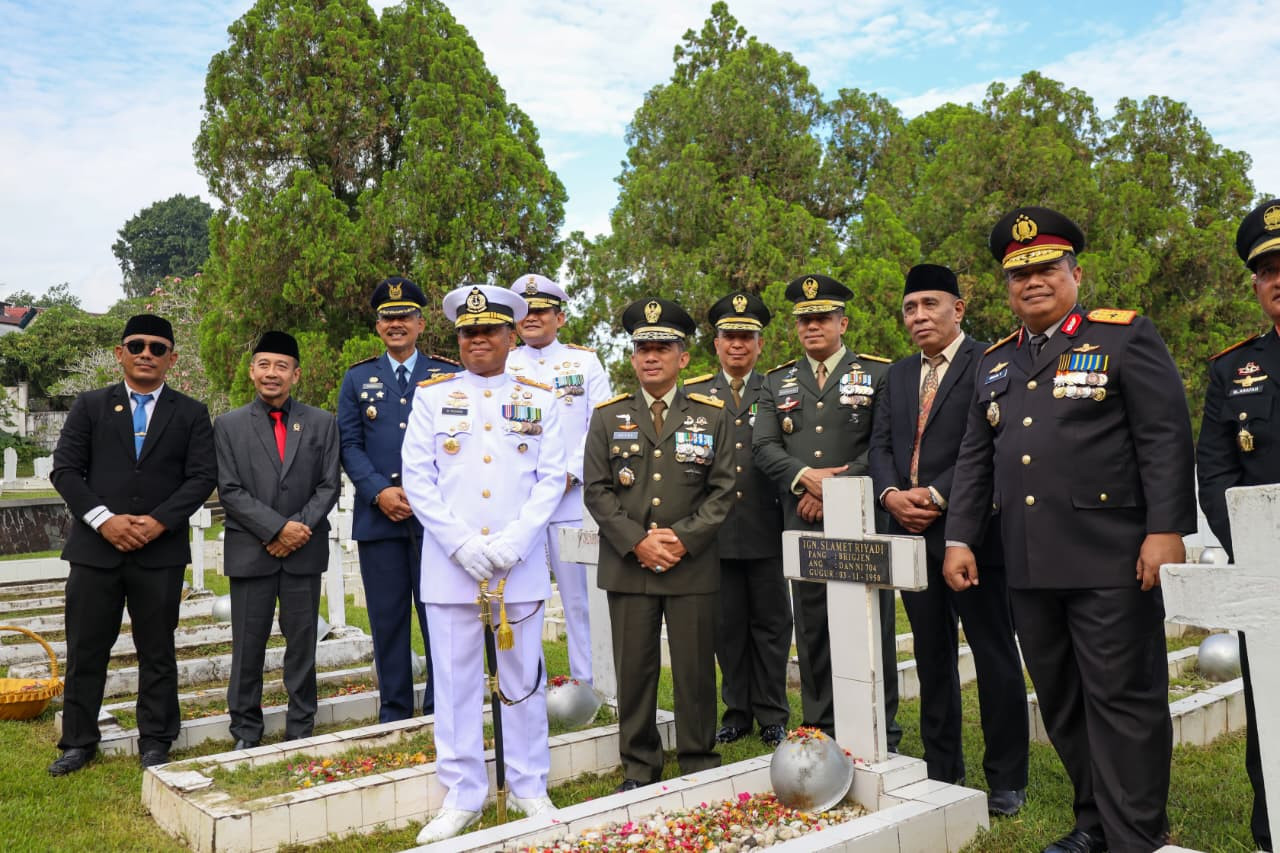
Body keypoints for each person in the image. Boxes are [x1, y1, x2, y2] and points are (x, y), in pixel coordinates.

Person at [942, 207, 1195, 853]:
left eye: (1046, 268)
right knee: (1061, 700)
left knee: (1122, 700)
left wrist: (1166, 528)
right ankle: (1094, 820)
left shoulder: (1123, 337)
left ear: (1075, 273)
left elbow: (1164, 436)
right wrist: (961, 537)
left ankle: (1135, 833)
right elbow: (976, 457)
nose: (1032, 281)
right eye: (1018, 273)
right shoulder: (996, 362)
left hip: (1110, 557)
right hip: (1028, 561)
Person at [403, 284, 566, 844]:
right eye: (469, 331)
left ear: (509, 334)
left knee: (523, 680)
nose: (479, 339)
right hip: (452, 568)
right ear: (459, 336)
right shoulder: (432, 398)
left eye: (490, 329)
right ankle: (463, 793)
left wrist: (519, 541)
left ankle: (527, 784)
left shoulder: (540, 397)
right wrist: (460, 544)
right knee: (454, 684)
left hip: (517, 565)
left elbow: (551, 478)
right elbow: (418, 480)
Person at [867, 264, 1028, 814]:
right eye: (910, 308)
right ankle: (944, 769)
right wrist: (890, 495)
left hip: (974, 534)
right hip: (908, 534)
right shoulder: (896, 375)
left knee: (993, 654)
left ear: (958, 309)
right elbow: (881, 444)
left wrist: (936, 496)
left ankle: (1006, 777)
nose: (919, 317)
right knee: (933, 658)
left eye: (930, 305)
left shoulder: (992, 361)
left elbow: (989, 444)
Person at [49, 314, 217, 775]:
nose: (147, 353)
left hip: (158, 551)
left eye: (158, 348)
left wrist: (159, 521)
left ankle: (157, 740)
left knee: (157, 649)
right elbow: (65, 470)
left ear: (172, 359)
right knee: (87, 648)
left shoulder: (190, 412)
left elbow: (202, 476)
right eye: (137, 345)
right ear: (120, 353)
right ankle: (78, 742)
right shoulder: (91, 405)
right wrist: (105, 521)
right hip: (96, 550)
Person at [583, 297, 735, 791]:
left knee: (694, 671)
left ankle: (697, 759)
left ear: (683, 357)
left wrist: (682, 539)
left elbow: (724, 488)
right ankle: (640, 766)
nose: (651, 356)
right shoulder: (609, 416)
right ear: (631, 357)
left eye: (662, 347)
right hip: (630, 566)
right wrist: (637, 542)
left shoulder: (711, 415)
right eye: (642, 348)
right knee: (635, 671)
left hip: (689, 564)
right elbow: (597, 489)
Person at [752, 273, 900, 746]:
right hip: (802, 515)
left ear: (843, 322)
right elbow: (764, 445)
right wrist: (805, 481)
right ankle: (820, 722)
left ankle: (882, 723)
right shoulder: (778, 381)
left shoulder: (878, 374)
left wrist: (831, 485)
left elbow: (884, 445)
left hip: (858, 517)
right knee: (812, 622)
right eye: (804, 320)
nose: (812, 327)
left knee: (870, 621)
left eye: (822, 318)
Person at [1194, 197, 1280, 853]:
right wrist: (1252, 551)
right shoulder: (1233, 369)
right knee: (1272, 709)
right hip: (1266, 573)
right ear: (1254, 283)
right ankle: (1269, 827)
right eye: (1267, 267)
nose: (1278, 277)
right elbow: (1215, 470)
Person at [337, 276, 460, 722]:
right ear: (377, 326)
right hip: (379, 518)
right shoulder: (357, 379)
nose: (396, 324)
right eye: (388, 318)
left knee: (438, 618)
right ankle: (394, 709)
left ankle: (440, 707)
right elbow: (348, 444)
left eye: (405, 316)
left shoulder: (448, 376)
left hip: (435, 522)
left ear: (421, 323)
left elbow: (461, 446)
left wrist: (425, 494)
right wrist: (379, 491)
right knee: (387, 621)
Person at [214, 331, 340, 750]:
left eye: (281, 366)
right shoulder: (229, 425)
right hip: (252, 551)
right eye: (264, 365)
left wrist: (297, 529)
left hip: (303, 550)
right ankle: (246, 730)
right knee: (247, 645)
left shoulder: (321, 422)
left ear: (296, 374)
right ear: (252, 371)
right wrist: (276, 529)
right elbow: (229, 490)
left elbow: (328, 485)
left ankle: (301, 724)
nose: (272, 374)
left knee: (302, 643)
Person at [683, 290, 790, 749]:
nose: (738, 346)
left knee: (770, 625)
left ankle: (772, 713)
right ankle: (737, 711)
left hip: (766, 525)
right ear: (716, 343)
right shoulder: (694, 395)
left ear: (760, 344)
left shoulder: (777, 390)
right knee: (727, 628)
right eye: (729, 336)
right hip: (717, 532)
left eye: (747, 337)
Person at [506, 273, 612, 684]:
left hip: (570, 498)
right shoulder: (506, 363)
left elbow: (599, 425)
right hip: (520, 501)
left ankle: (588, 683)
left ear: (559, 317)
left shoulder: (583, 363)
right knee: (523, 598)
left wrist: (568, 473)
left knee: (578, 598)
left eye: (541, 310)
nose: (532, 317)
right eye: (524, 311)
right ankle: (529, 683)